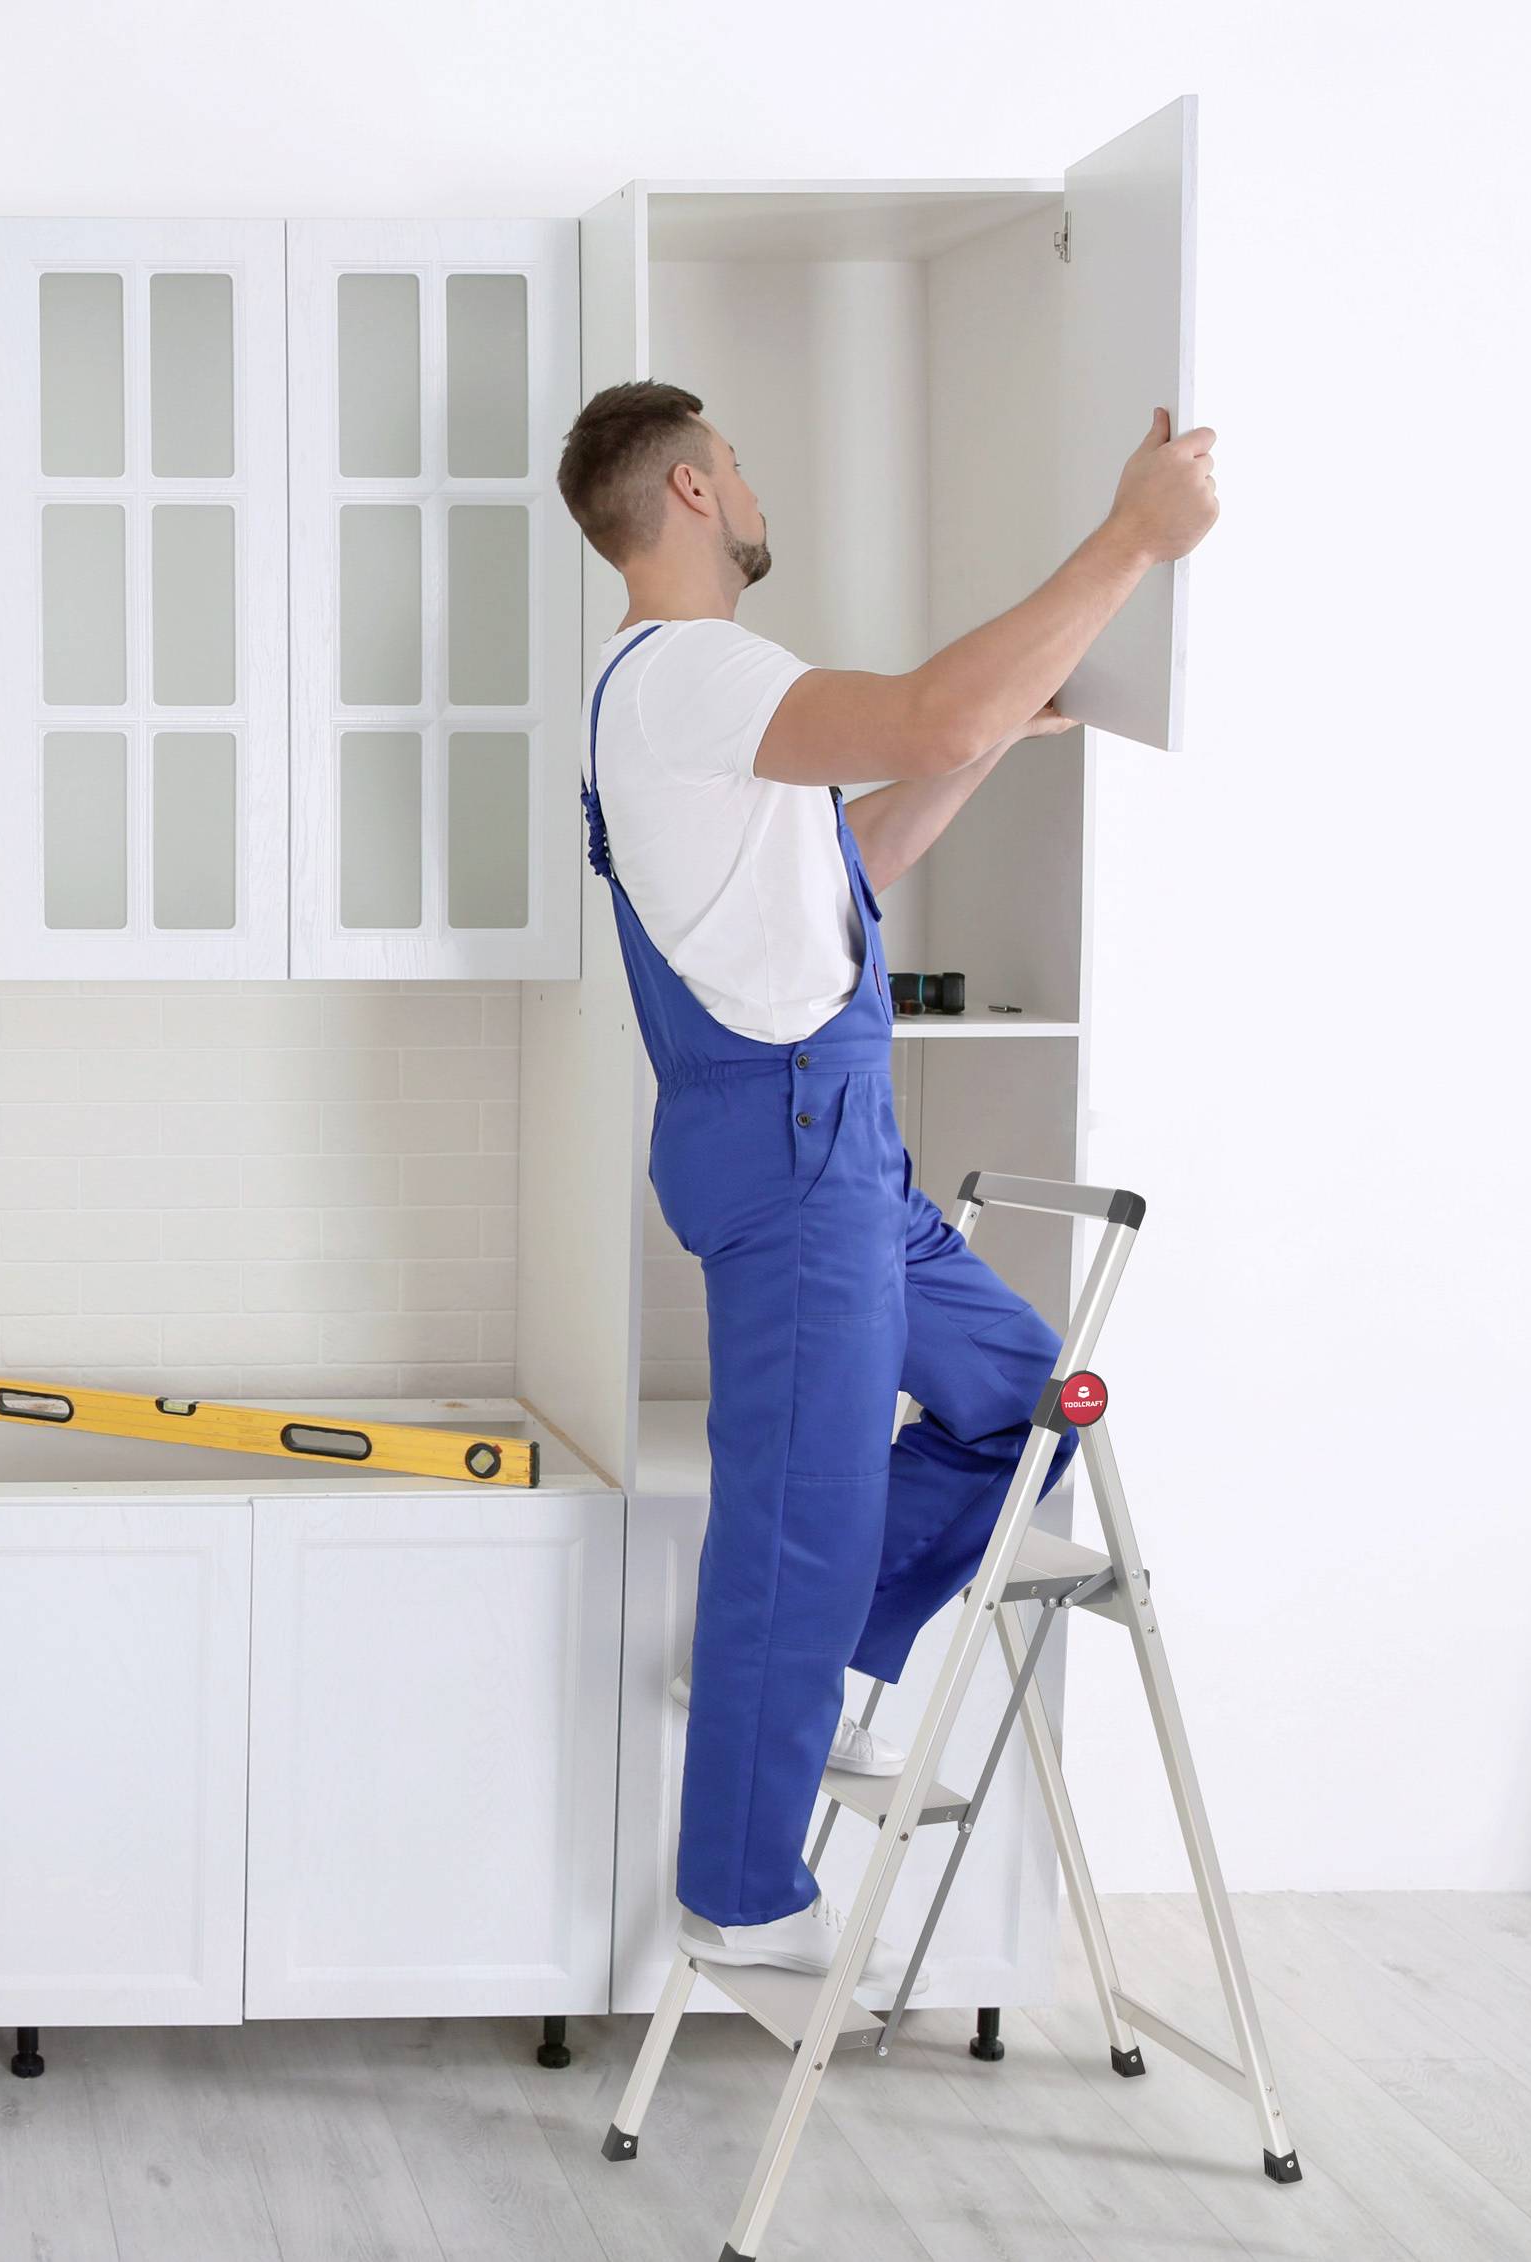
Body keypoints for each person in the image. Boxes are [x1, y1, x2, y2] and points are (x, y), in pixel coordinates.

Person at [555, 382, 1217, 1994]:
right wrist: (1133, 538)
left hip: (831, 1146)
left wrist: (988, 735)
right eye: (747, 464)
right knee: (797, 1513)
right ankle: (742, 1885)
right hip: (793, 1150)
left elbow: (855, 855)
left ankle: (816, 1647)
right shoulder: (698, 673)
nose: (759, 486)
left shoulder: (686, 707)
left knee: (1025, 1398)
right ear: (698, 489)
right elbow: (921, 709)